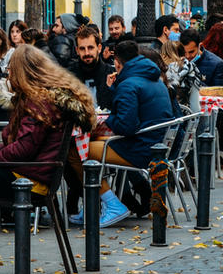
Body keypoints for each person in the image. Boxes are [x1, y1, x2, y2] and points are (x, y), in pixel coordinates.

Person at [0, 45, 95, 274]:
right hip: (27, 172)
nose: (8, 76)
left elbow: (24, 149)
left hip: (28, 179)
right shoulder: (43, 98)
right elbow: (21, 143)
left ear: (24, 73)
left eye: (11, 71)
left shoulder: (40, 102)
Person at [71, 40, 173, 227]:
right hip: (154, 145)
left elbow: (126, 126)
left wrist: (107, 118)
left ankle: (110, 203)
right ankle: (93, 205)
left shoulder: (129, 84)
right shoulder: (153, 78)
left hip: (141, 150)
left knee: (76, 151)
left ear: (117, 62)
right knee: (90, 141)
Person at [68, 25, 113, 110]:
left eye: (90, 48)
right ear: (77, 50)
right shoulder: (69, 76)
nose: (86, 53)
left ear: (99, 48)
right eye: (82, 49)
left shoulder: (111, 74)